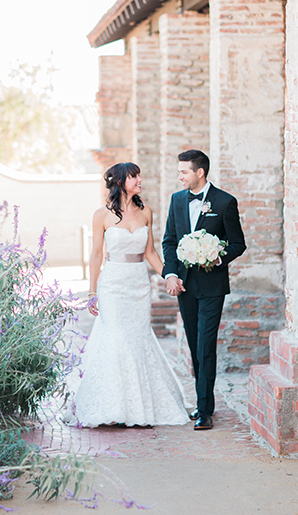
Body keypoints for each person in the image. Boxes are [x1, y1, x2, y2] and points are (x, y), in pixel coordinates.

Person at [69, 162, 189, 428]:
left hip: (138, 285)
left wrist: (168, 276)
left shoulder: (147, 212)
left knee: (137, 337)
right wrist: (92, 291)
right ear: (121, 181)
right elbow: (97, 254)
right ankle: (111, 405)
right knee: (116, 337)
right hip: (112, 285)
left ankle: (137, 406)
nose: (140, 180)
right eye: (135, 177)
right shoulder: (102, 215)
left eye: (139, 176)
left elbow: (150, 253)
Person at [162, 149, 246, 431]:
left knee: (205, 346)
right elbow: (169, 241)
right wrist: (171, 274)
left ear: (200, 172)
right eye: (179, 171)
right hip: (184, 286)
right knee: (194, 344)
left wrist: (216, 256)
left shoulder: (224, 202)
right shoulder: (176, 200)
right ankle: (202, 403)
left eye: (184, 171)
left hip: (212, 286)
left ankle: (205, 411)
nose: (180, 176)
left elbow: (238, 244)